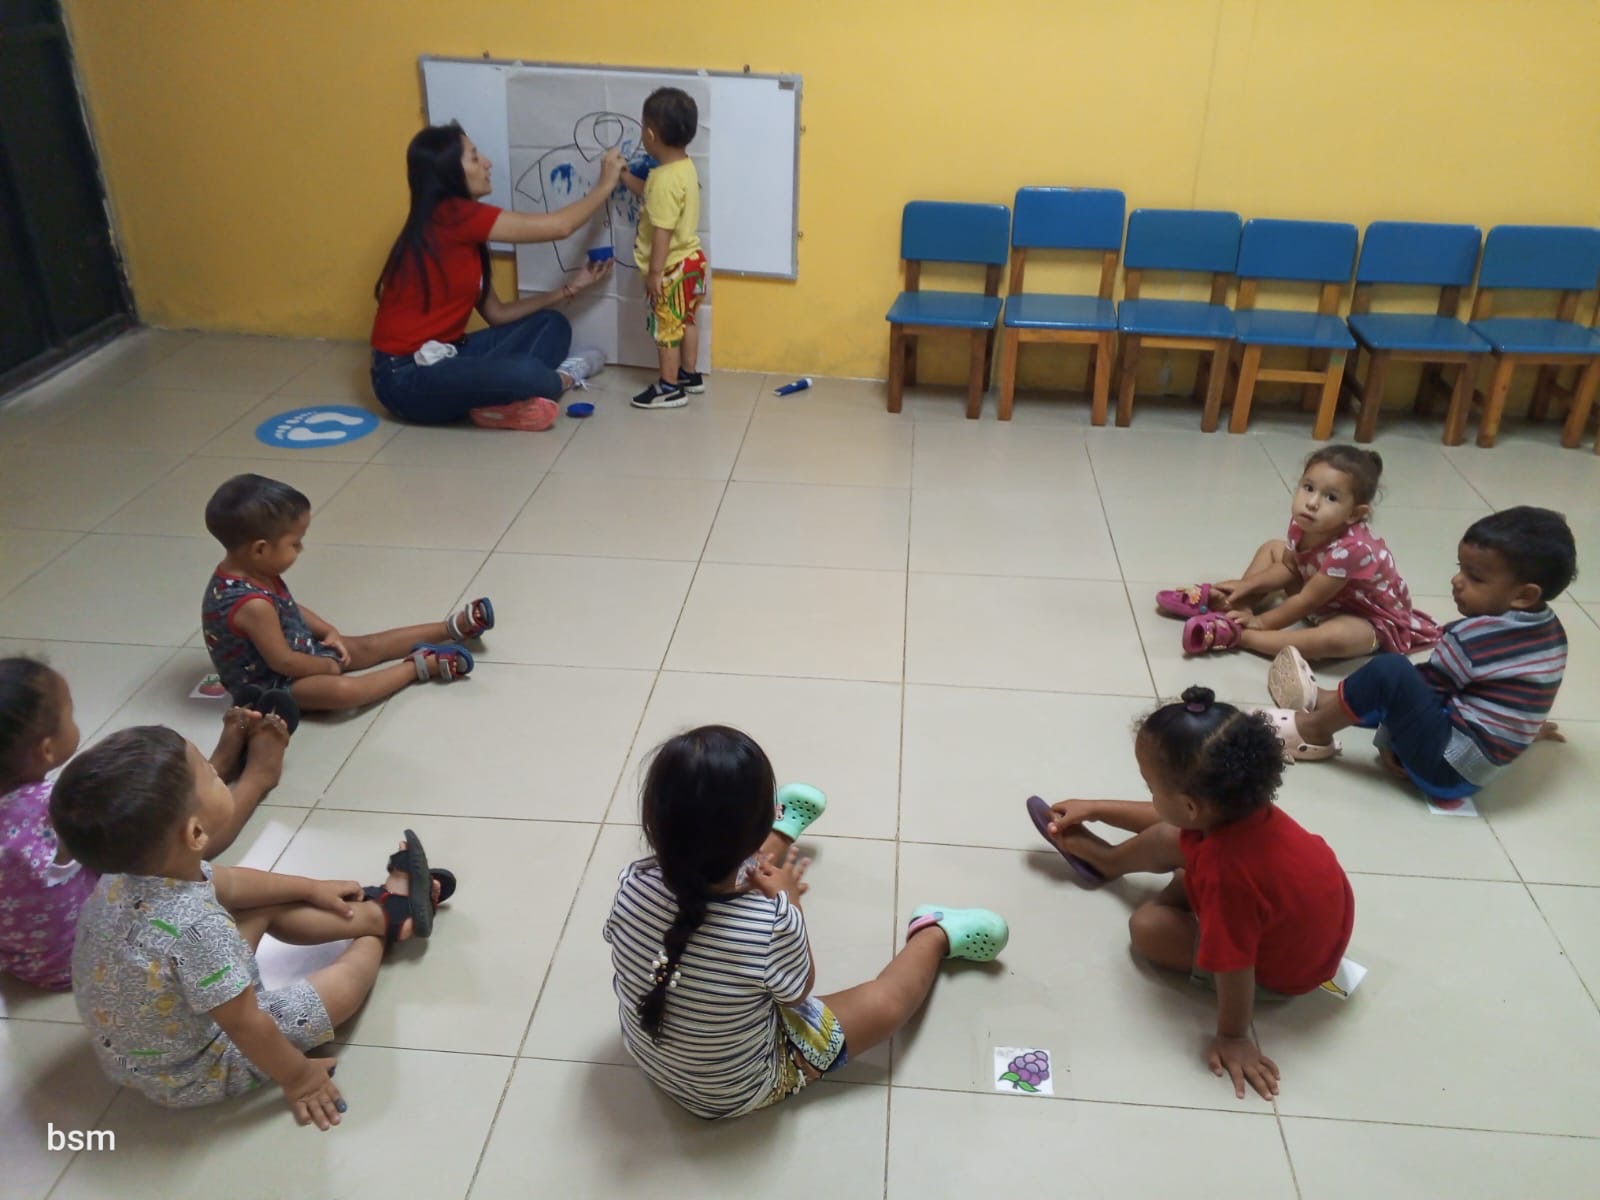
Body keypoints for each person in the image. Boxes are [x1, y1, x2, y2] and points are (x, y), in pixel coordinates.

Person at [55, 726, 454, 1127]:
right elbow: (246, 1024)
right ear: (196, 832)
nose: (217, 771)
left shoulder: (124, 875)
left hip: (135, 1048)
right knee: (326, 999)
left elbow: (229, 884)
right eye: (208, 772)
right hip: (193, 1070)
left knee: (259, 903)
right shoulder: (198, 928)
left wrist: (311, 888)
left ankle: (377, 913)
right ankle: (381, 929)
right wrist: (300, 1078)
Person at [604, 725, 1008, 1118]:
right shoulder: (770, 924)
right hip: (734, 1091)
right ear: (755, 826)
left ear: (653, 822)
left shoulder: (632, 882)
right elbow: (798, 993)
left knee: (708, 873)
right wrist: (790, 904)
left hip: (650, 1054)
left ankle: (782, 835)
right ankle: (934, 934)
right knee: (886, 1003)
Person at [1030, 687, 1354, 1102]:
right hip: (1300, 922)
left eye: (1151, 787)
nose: (1150, 795)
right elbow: (1170, 820)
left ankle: (1110, 864)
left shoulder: (1227, 875)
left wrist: (1234, 1037)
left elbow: (1235, 966)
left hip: (1279, 972)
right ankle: (1107, 862)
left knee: (1147, 928)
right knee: (1174, 838)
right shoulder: (1243, 808)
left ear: (1189, 806)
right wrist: (1096, 808)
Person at [0, 658, 289, 991]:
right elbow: (145, 819)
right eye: (69, 714)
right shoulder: (48, 808)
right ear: (47, 749)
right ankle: (256, 777)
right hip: (87, 951)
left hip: (24, 961)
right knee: (165, 837)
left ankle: (210, 768)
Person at [1262, 506, 1574, 804]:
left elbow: (1427, 689)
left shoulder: (1472, 639)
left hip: (1444, 770)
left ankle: (1314, 729)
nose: (1457, 580)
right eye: (1460, 568)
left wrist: (1389, 740)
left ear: (1524, 595)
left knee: (1391, 671)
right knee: (1412, 682)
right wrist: (1526, 731)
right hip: (1476, 762)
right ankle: (1331, 700)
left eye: (1475, 577)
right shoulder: (1552, 633)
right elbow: (1522, 695)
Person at [370, 121, 623, 431]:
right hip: (404, 377)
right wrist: (605, 185)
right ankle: (560, 379)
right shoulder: (451, 215)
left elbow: (497, 314)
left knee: (552, 324)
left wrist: (569, 289)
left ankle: (503, 400)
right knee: (526, 373)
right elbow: (561, 227)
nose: (487, 163)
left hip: (449, 353)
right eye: (474, 158)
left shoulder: (460, 225)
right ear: (448, 172)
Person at [202, 474, 490, 712]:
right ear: (261, 549)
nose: (301, 549)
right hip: (270, 682)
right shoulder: (251, 605)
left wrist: (327, 630)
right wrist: (326, 667)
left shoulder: (257, 570)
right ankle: (418, 666)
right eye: (295, 543)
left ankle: (450, 628)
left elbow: (289, 607)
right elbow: (283, 662)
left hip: (300, 649)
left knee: (367, 646)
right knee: (344, 692)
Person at [1156, 446, 1440, 661]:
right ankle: (1236, 604)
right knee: (1272, 548)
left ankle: (1242, 635)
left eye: (1330, 497)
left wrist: (1263, 623)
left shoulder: (1352, 550)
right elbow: (1290, 567)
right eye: (1308, 488)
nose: (1312, 503)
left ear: (1354, 514)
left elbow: (1306, 601)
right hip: (1321, 591)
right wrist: (1248, 584)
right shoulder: (1303, 523)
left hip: (1360, 614)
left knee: (1336, 638)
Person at [619, 88, 708, 410]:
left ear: (650, 134)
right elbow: (650, 193)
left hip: (671, 268)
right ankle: (690, 375)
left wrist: (655, 273)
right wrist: (624, 176)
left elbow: (663, 230)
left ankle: (669, 387)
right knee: (687, 320)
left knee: (666, 328)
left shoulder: (664, 181)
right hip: (693, 260)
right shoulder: (683, 167)